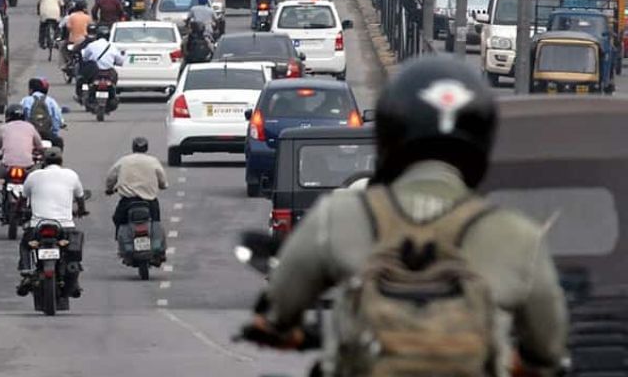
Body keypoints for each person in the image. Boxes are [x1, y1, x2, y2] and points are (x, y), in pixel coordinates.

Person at [242, 56, 567, 375]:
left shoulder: (340, 217)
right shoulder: (514, 234)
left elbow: (277, 313)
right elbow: (548, 348)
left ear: (387, 134)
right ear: (484, 139)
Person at [18, 147, 87, 297]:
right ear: (61, 161)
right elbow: (80, 199)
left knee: (25, 245)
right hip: (65, 226)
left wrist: (19, 212)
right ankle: (73, 278)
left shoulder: (33, 176)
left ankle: (26, 270)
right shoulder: (71, 175)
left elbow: (23, 199)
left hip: (37, 226)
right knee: (72, 251)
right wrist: (81, 210)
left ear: (44, 161)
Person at [0, 105, 44, 218]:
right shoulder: (30, 127)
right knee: (38, 182)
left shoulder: (4, 128)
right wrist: (41, 154)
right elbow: (39, 146)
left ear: (8, 116)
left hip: (7, 165)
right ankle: (39, 206)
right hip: (28, 166)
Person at [105, 136, 168, 227]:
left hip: (128, 201)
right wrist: (162, 185)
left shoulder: (124, 160)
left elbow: (111, 177)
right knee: (155, 223)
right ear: (146, 148)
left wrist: (109, 188)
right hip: (149, 202)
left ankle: (121, 238)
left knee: (118, 219)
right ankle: (156, 240)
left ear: (133, 147)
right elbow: (163, 182)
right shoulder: (153, 161)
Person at [20, 77, 64, 149]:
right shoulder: (51, 101)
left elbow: (19, 117)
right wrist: (55, 132)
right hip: (47, 134)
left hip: (29, 134)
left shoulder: (25, 100)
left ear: (31, 90)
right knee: (59, 142)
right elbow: (57, 118)